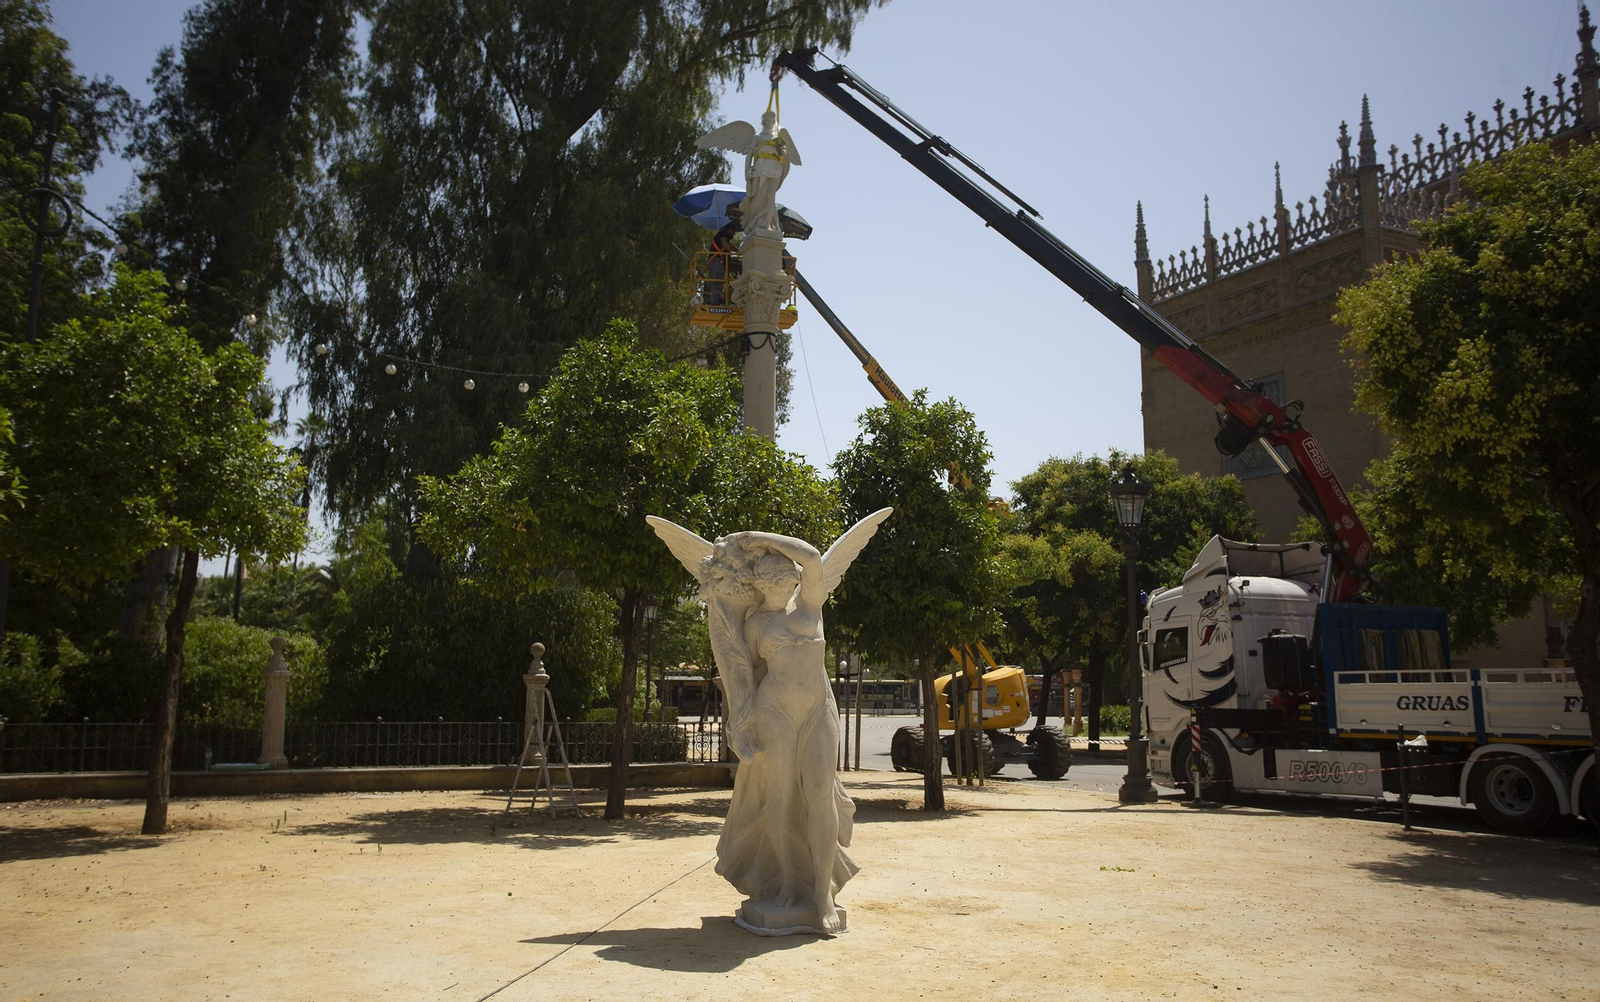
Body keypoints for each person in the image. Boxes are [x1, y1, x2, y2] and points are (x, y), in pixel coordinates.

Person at [646, 508, 891, 935]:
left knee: (819, 793)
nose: (778, 585)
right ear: (758, 585)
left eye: (784, 578)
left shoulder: (811, 607)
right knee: (778, 800)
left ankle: (820, 891)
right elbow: (740, 670)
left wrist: (758, 537)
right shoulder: (755, 623)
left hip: (817, 710)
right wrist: (741, 722)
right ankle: (786, 880)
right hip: (774, 710)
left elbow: (814, 557)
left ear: (795, 580)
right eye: (769, 580)